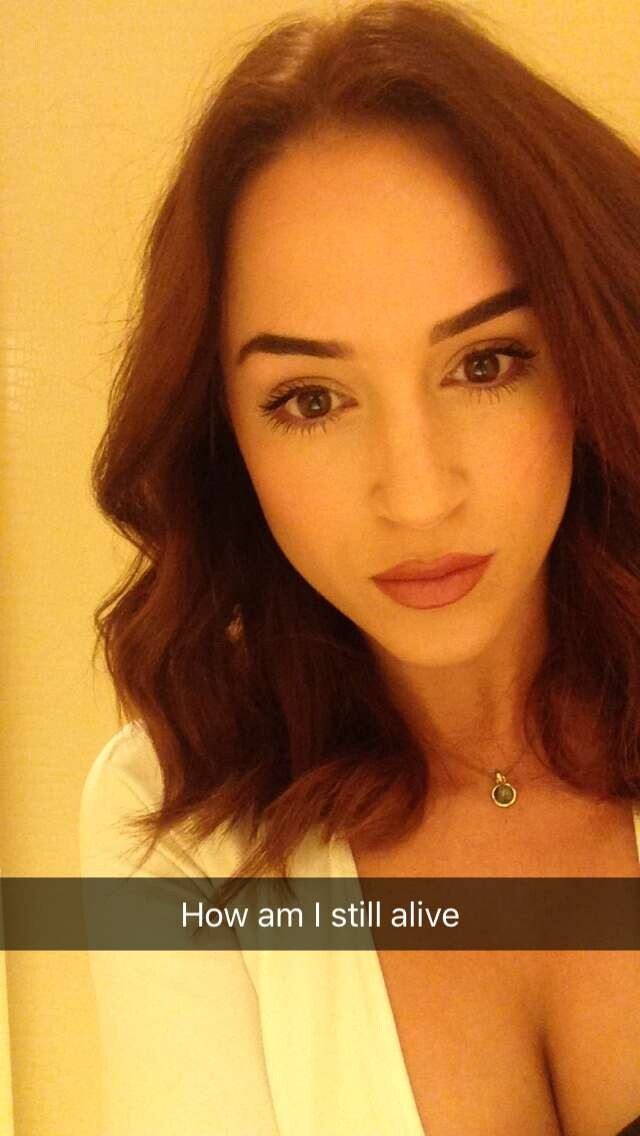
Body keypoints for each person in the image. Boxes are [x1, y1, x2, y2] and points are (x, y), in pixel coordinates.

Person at [79, 1, 640, 1132]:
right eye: (311, 399)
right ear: (222, 435)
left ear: (590, 356)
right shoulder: (182, 814)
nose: (418, 494)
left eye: (486, 363)